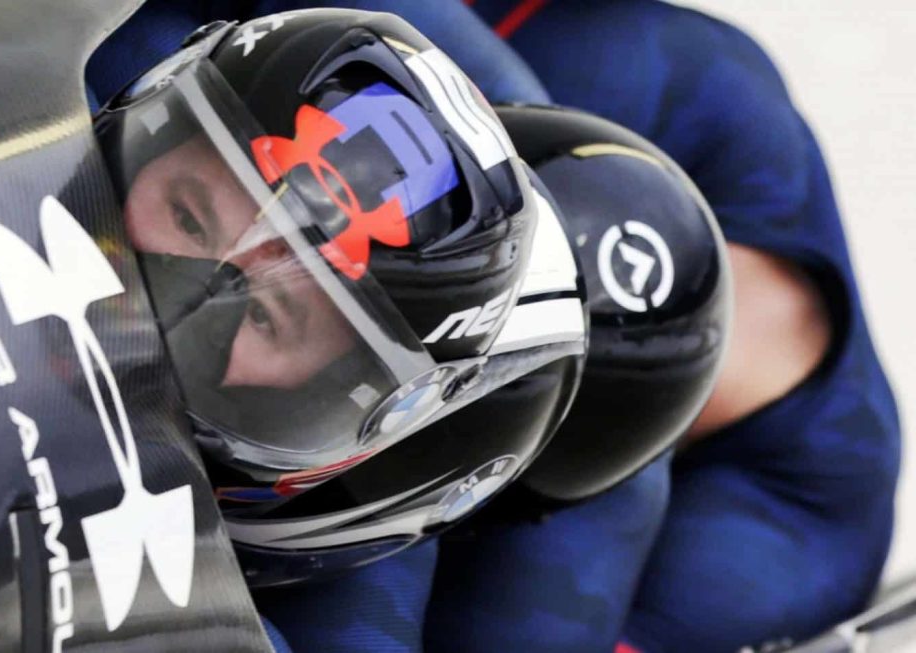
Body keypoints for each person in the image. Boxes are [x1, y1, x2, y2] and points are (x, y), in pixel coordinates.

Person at [87, 2, 899, 652]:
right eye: (193, 211)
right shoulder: (693, 87)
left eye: (274, 314)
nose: (190, 294)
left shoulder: (780, 538)